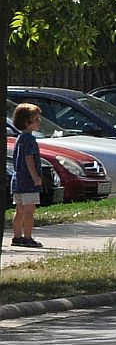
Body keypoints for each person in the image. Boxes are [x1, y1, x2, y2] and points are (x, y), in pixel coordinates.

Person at [10, 103, 44, 247]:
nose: (39, 122)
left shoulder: (20, 138)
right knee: (29, 210)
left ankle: (17, 236)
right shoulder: (30, 139)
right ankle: (28, 237)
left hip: (17, 180)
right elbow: (29, 159)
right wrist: (36, 177)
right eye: (36, 120)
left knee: (19, 210)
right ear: (26, 123)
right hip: (28, 181)